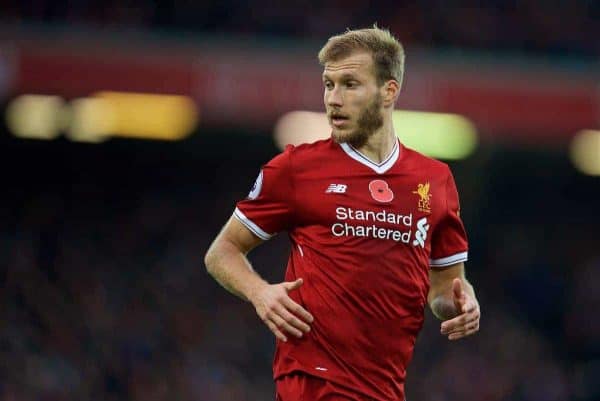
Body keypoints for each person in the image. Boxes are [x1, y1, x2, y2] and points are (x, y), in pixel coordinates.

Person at [205, 26, 480, 401]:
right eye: (328, 84)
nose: (333, 99)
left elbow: (446, 286)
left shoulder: (434, 180)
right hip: (313, 383)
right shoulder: (296, 169)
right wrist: (260, 293)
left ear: (389, 91)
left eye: (350, 84)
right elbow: (222, 251)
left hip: (385, 388)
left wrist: (461, 305)